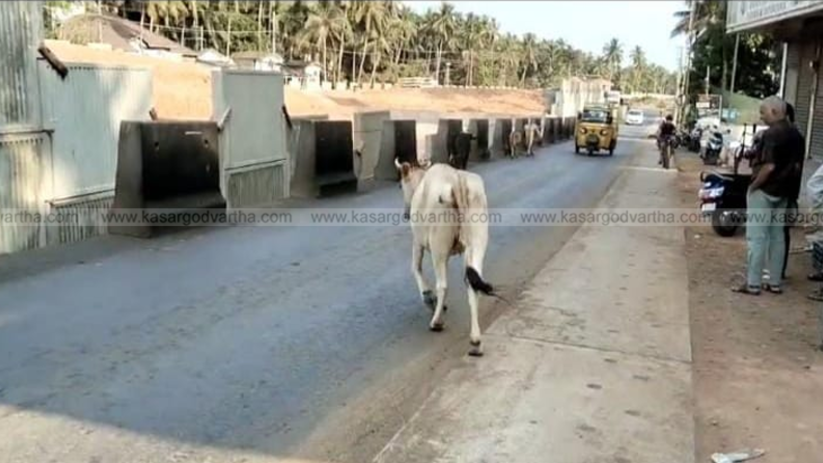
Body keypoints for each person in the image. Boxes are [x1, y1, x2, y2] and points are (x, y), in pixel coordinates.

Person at [732, 96, 803, 295]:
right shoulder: (797, 135)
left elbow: (769, 166)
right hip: (784, 192)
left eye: (763, 112)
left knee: (757, 238)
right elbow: (797, 166)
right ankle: (774, 282)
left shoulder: (771, 135)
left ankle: (753, 283)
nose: (761, 117)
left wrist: (754, 186)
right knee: (777, 236)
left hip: (764, 191)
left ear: (774, 111)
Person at [781, 102, 805, 281]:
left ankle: (778, 269)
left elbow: (795, 167)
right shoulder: (790, 135)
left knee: (781, 232)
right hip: (785, 191)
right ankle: (776, 268)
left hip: (786, 192)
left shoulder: (793, 137)